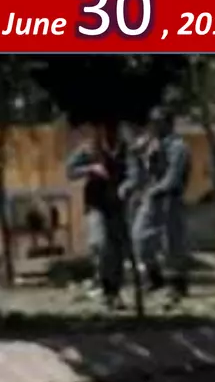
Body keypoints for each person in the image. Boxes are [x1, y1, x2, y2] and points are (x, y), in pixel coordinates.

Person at [126, 108, 193, 302]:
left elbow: (173, 177)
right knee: (139, 237)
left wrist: (154, 190)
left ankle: (178, 285)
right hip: (152, 198)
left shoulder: (178, 147)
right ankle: (154, 277)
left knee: (172, 244)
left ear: (168, 124)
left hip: (170, 198)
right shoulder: (150, 145)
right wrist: (138, 154)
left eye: (158, 122)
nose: (154, 126)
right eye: (152, 122)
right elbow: (138, 173)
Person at [64, 122, 128, 308]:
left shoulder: (126, 149)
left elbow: (135, 172)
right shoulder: (89, 149)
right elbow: (70, 171)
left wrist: (128, 186)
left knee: (117, 251)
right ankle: (103, 283)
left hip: (118, 205)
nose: (110, 131)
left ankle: (114, 292)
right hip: (96, 205)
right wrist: (90, 169)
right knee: (100, 244)